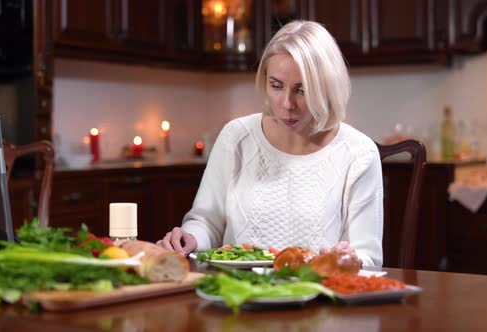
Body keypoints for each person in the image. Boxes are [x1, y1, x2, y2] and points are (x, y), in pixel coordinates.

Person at [156, 20, 383, 267]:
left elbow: (369, 258)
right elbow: (206, 222)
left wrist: (346, 258)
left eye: (302, 90)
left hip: (316, 298)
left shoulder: (359, 153)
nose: (286, 103)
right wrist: (190, 239)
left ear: (327, 87)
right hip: (236, 295)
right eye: (276, 85)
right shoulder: (236, 136)